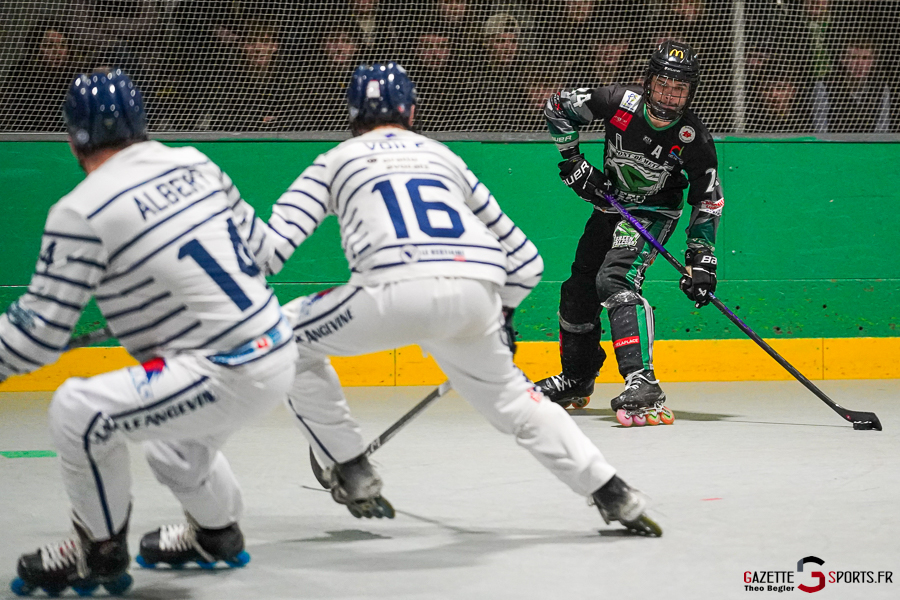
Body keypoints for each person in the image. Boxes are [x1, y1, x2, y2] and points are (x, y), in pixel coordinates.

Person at [251, 62, 662, 535]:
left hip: (390, 288)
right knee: (518, 405)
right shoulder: (443, 157)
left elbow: (269, 252)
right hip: (474, 294)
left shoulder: (336, 159)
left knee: (284, 338)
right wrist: (502, 318)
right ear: (410, 109)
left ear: (352, 110)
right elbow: (526, 259)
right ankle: (616, 494)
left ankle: (349, 464)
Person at [1, 69, 298, 596]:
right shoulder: (196, 161)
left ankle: (99, 552)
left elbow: (37, 338)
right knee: (173, 451)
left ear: (73, 141)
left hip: (223, 367)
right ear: (142, 123)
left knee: (78, 411)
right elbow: (263, 253)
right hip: (276, 345)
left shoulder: (81, 209)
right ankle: (217, 535)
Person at [535, 41, 724, 426]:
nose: (670, 96)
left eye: (680, 89)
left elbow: (707, 199)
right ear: (648, 82)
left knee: (615, 277)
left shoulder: (694, 137)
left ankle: (644, 381)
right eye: (663, 85)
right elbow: (557, 108)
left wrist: (701, 259)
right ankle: (577, 378)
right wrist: (573, 161)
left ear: (691, 93)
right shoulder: (618, 101)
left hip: (652, 213)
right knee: (577, 290)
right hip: (609, 204)